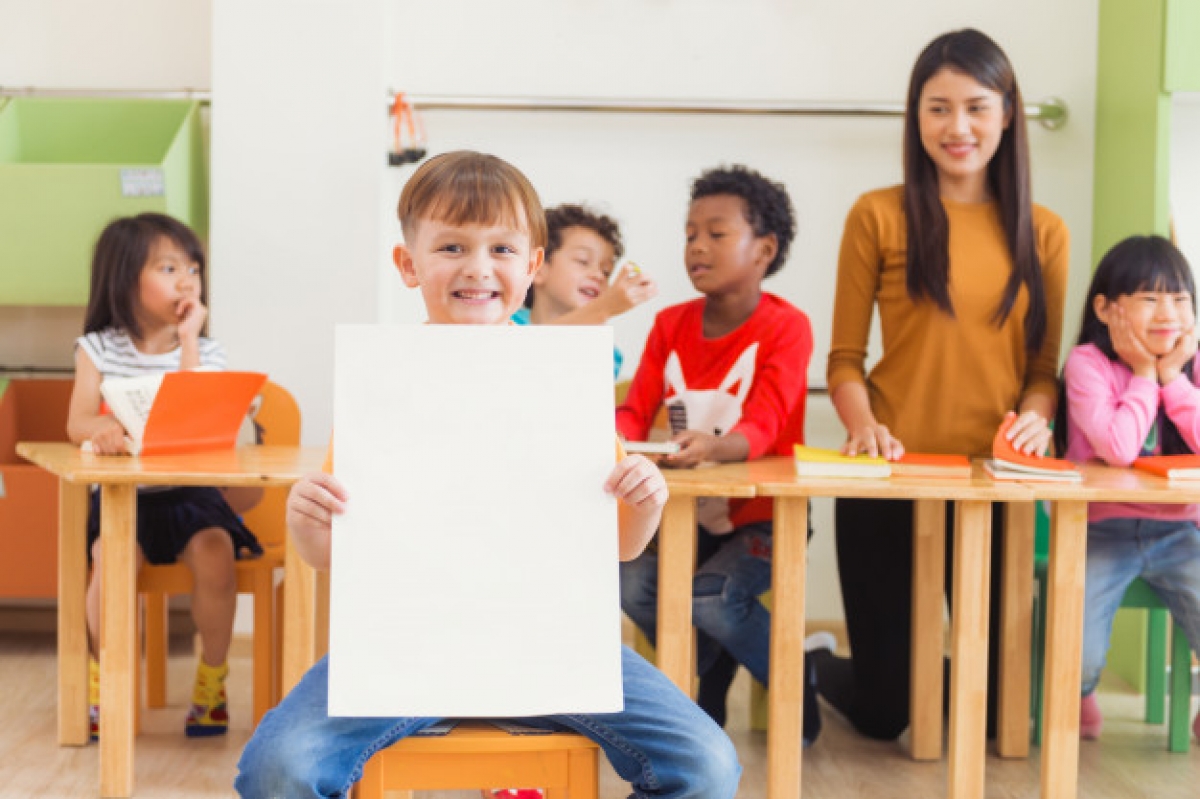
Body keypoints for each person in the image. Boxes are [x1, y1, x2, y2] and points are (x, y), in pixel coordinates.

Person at [234, 151, 741, 799]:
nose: (477, 267)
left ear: (531, 264)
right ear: (408, 264)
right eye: (451, 246)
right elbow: (333, 552)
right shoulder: (380, 383)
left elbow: (617, 543)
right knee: (276, 769)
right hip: (402, 651)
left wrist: (643, 500)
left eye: (501, 247)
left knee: (707, 765)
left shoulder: (560, 382)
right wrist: (307, 520)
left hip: (556, 648)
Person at [814, 28, 1070, 741]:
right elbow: (843, 359)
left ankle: (914, 678)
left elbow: (1041, 371)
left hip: (994, 482)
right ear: (916, 116)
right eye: (938, 108)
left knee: (996, 712)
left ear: (1008, 114)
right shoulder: (877, 213)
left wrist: (1037, 418)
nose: (957, 127)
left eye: (976, 107)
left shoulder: (1043, 232)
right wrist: (862, 426)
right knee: (885, 714)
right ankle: (817, 664)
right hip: (889, 476)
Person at [615, 165, 816, 739]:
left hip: (763, 517)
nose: (697, 245)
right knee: (631, 586)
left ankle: (794, 681)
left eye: (717, 233)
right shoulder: (669, 324)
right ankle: (705, 683)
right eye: (689, 234)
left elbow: (767, 422)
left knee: (710, 599)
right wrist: (622, 441)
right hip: (683, 516)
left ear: (765, 249)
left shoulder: (788, 327)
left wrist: (714, 446)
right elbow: (636, 406)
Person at [66, 213, 263, 739]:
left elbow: (197, 410)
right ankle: (103, 679)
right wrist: (102, 433)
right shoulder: (98, 347)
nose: (186, 279)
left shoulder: (206, 350)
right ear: (125, 277)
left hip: (192, 494)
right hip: (124, 497)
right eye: (169, 267)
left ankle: (212, 680)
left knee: (215, 553)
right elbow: (76, 420)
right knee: (109, 563)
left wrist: (189, 339)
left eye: (193, 268)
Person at [1055, 234, 1200, 743]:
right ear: (1106, 307)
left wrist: (1175, 379)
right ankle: (1082, 690)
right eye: (1150, 299)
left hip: (1182, 531)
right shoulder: (1088, 365)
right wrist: (1144, 375)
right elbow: (1118, 447)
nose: (1169, 314)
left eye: (1180, 300)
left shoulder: (1193, 367)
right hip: (1103, 530)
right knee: (1079, 658)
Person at [513, 203, 657, 379]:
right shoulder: (504, 323)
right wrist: (602, 309)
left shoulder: (605, 351)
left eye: (606, 271)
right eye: (583, 261)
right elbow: (519, 359)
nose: (599, 276)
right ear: (538, 269)